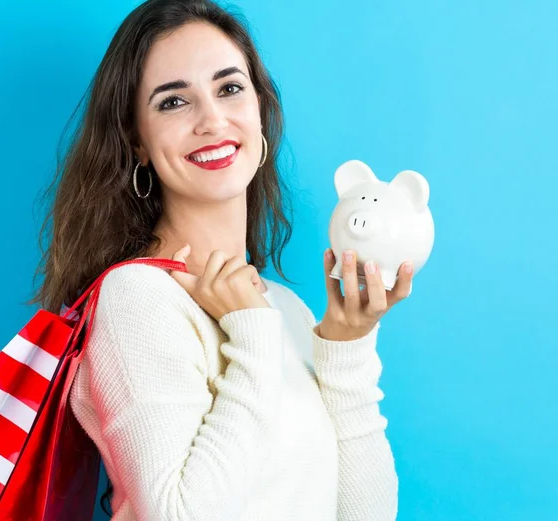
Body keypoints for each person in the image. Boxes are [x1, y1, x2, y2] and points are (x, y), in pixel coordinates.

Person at [30, 0, 414, 519]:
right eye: (173, 102)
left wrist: (347, 348)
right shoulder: (138, 299)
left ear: (259, 109)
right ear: (137, 141)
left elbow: (364, 515)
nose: (212, 119)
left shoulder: (289, 310)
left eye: (230, 88)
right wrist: (250, 333)